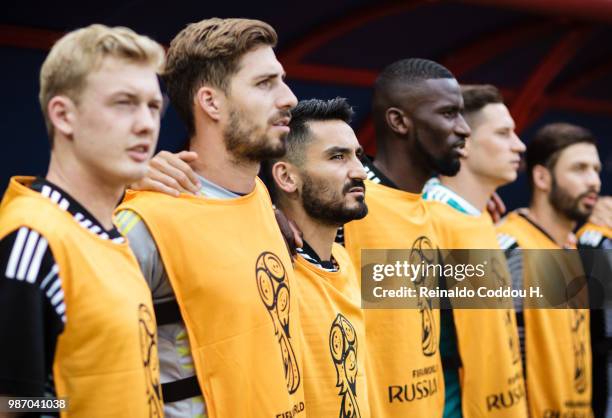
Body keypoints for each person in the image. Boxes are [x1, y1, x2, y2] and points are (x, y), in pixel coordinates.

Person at [115, 18, 306, 418]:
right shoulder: (144, 222)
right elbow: (51, 381)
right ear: (211, 102)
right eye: (265, 83)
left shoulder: (265, 206)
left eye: (283, 80)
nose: (289, 97)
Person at [0, 24, 165, 417]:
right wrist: (77, 403)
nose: (146, 123)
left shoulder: (107, 231)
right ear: (64, 116)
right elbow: (8, 404)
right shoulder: (33, 237)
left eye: (154, 106)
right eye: (124, 103)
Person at [341, 57, 470, 418]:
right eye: (448, 114)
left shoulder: (433, 210)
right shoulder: (349, 207)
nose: (464, 129)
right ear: (398, 121)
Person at [422, 84, 528, 418]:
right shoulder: (428, 220)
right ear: (463, 142)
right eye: (503, 133)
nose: (519, 145)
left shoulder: (480, 220)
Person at [262, 97, 370, 416]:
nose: (360, 172)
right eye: (337, 157)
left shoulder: (344, 259)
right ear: (286, 177)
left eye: (357, 156)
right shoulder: (267, 268)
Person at [497, 122, 601, 418]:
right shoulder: (509, 247)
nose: (593, 181)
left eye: (595, 169)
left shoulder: (574, 251)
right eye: (579, 169)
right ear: (542, 177)